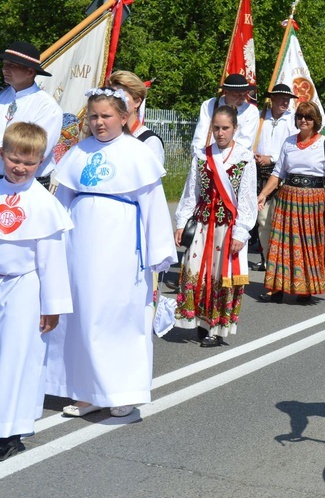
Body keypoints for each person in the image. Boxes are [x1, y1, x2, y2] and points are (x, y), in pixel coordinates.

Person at [47, 87, 177, 418]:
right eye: (93, 116)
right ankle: (88, 390)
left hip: (122, 250)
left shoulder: (137, 154)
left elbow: (152, 206)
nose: (99, 122)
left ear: (123, 116)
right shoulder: (79, 152)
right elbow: (62, 203)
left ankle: (122, 391)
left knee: (119, 317)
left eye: (106, 115)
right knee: (84, 317)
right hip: (81, 247)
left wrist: (159, 252)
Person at [0, 122, 73, 462]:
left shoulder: (43, 204)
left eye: (29, 163)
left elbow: (52, 261)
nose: (20, 167)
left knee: (16, 359)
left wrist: (52, 305)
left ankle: (9, 432)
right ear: (3, 154)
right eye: (14, 159)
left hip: (24, 286)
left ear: (41, 162)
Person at [174, 105, 257, 346]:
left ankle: (216, 327)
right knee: (195, 270)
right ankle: (199, 320)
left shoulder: (244, 158)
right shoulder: (202, 156)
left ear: (235, 128)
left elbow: (247, 200)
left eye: (225, 128)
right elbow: (191, 192)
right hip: (202, 224)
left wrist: (241, 232)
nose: (220, 133)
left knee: (221, 275)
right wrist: (182, 222)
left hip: (227, 227)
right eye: (216, 128)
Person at [257, 101, 325, 303]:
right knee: (283, 244)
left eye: (308, 117)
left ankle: (306, 288)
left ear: (315, 121)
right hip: (288, 198)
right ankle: (277, 288)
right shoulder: (288, 142)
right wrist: (263, 194)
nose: (303, 120)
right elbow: (278, 173)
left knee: (307, 245)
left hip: (314, 200)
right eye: (300, 116)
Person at [0, 41, 63, 188]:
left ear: (30, 72)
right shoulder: (3, 95)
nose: (5, 69)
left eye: (12, 65)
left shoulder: (47, 107)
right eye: (5, 64)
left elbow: (36, 150)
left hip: (29, 183)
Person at [251, 83, 298, 273]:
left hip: (282, 175)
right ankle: (267, 258)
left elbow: (293, 149)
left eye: (287, 99)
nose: (284, 101)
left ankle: (283, 259)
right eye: (280, 97)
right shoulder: (261, 118)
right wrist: (254, 155)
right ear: (272, 99)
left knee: (281, 219)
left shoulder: (292, 120)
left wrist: (271, 158)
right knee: (263, 219)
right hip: (259, 173)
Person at [190, 73, 259, 156]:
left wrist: (224, 159)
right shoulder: (210, 105)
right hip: (208, 157)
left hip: (236, 159)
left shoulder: (251, 111)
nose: (242, 98)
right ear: (226, 92)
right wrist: (200, 156)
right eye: (237, 95)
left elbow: (245, 141)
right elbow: (200, 137)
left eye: (244, 94)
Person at [107, 70, 164, 164]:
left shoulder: (149, 141)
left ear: (137, 102)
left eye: (120, 97)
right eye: (111, 97)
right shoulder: (107, 136)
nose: (114, 102)